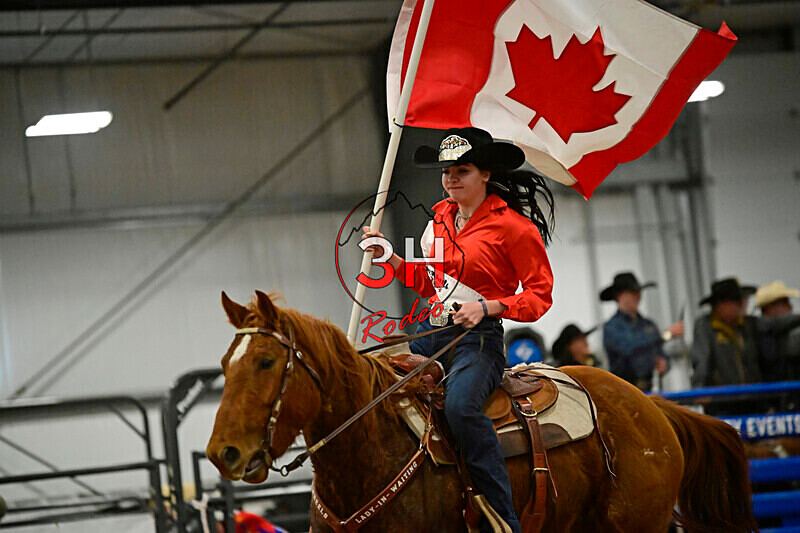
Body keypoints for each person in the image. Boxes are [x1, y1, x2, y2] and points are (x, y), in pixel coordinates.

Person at [362, 127, 554, 533]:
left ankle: (502, 519)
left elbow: (539, 296)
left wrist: (487, 306)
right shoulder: (439, 219)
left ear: (484, 174)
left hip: (478, 340)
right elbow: (429, 282)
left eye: (461, 170)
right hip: (428, 333)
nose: (450, 178)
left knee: (462, 408)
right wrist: (390, 258)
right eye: (446, 170)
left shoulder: (514, 229)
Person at [600, 272, 684, 392]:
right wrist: (666, 335)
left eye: (638, 292)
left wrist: (665, 364)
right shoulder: (611, 328)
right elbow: (630, 348)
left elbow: (660, 353)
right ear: (619, 296)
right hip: (624, 393)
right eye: (633, 292)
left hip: (650, 389)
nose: (638, 296)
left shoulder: (648, 324)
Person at [690, 277, 760, 388]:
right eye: (735, 302)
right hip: (721, 396)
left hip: (751, 393)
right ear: (720, 304)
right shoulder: (706, 326)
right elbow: (702, 359)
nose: (739, 306)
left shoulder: (746, 324)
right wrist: (700, 385)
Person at [755, 281, 800, 381]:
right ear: (771, 307)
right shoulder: (757, 333)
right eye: (785, 302)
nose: (790, 307)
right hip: (773, 390)